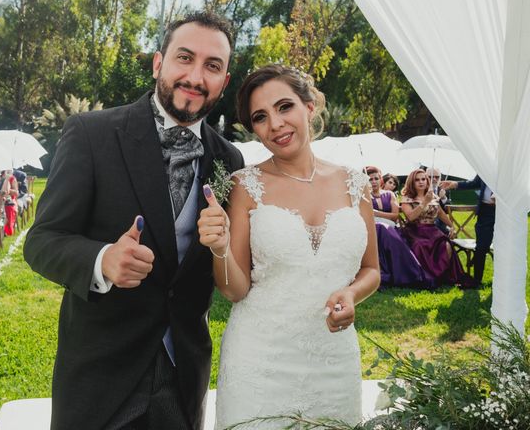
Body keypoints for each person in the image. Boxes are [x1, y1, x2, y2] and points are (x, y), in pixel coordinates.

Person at [24, 11, 244, 430]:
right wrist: (102, 259)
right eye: (185, 58)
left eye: (212, 66)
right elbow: (42, 241)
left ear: (224, 81)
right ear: (159, 63)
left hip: (183, 377)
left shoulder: (229, 160)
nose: (196, 76)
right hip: (102, 377)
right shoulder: (92, 134)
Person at [197, 64, 380, 427]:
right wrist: (219, 248)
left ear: (309, 106)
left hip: (334, 361)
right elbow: (235, 290)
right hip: (260, 362)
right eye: (261, 117)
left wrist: (351, 294)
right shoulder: (244, 186)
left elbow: (371, 270)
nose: (276, 125)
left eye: (284, 107)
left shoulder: (355, 184)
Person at [400, 169, 477, 289]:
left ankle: (443, 276)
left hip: (432, 230)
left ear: (427, 181)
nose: (421, 182)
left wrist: (452, 227)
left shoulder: (433, 197)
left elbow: (441, 214)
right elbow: (410, 217)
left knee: (446, 245)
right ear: (411, 182)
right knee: (420, 245)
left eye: (423, 179)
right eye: (417, 180)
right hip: (415, 230)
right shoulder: (407, 198)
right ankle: (426, 276)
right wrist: (424, 202)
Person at [366, 166, 433, 289]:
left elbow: (395, 216)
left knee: (385, 230)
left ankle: (413, 274)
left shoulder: (389, 194)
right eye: (370, 179)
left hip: (391, 228)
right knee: (380, 228)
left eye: (376, 178)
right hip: (372, 229)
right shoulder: (363, 196)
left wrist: (375, 212)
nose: (374, 181)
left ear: (381, 179)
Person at [440, 175, 493, 286]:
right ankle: (476, 281)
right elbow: (474, 183)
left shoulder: (509, 166)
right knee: (481, 247)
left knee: (502, 247)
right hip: (485, 211)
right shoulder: (485, 166)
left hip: (504, 211)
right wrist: (455, 184)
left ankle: (502, 280)